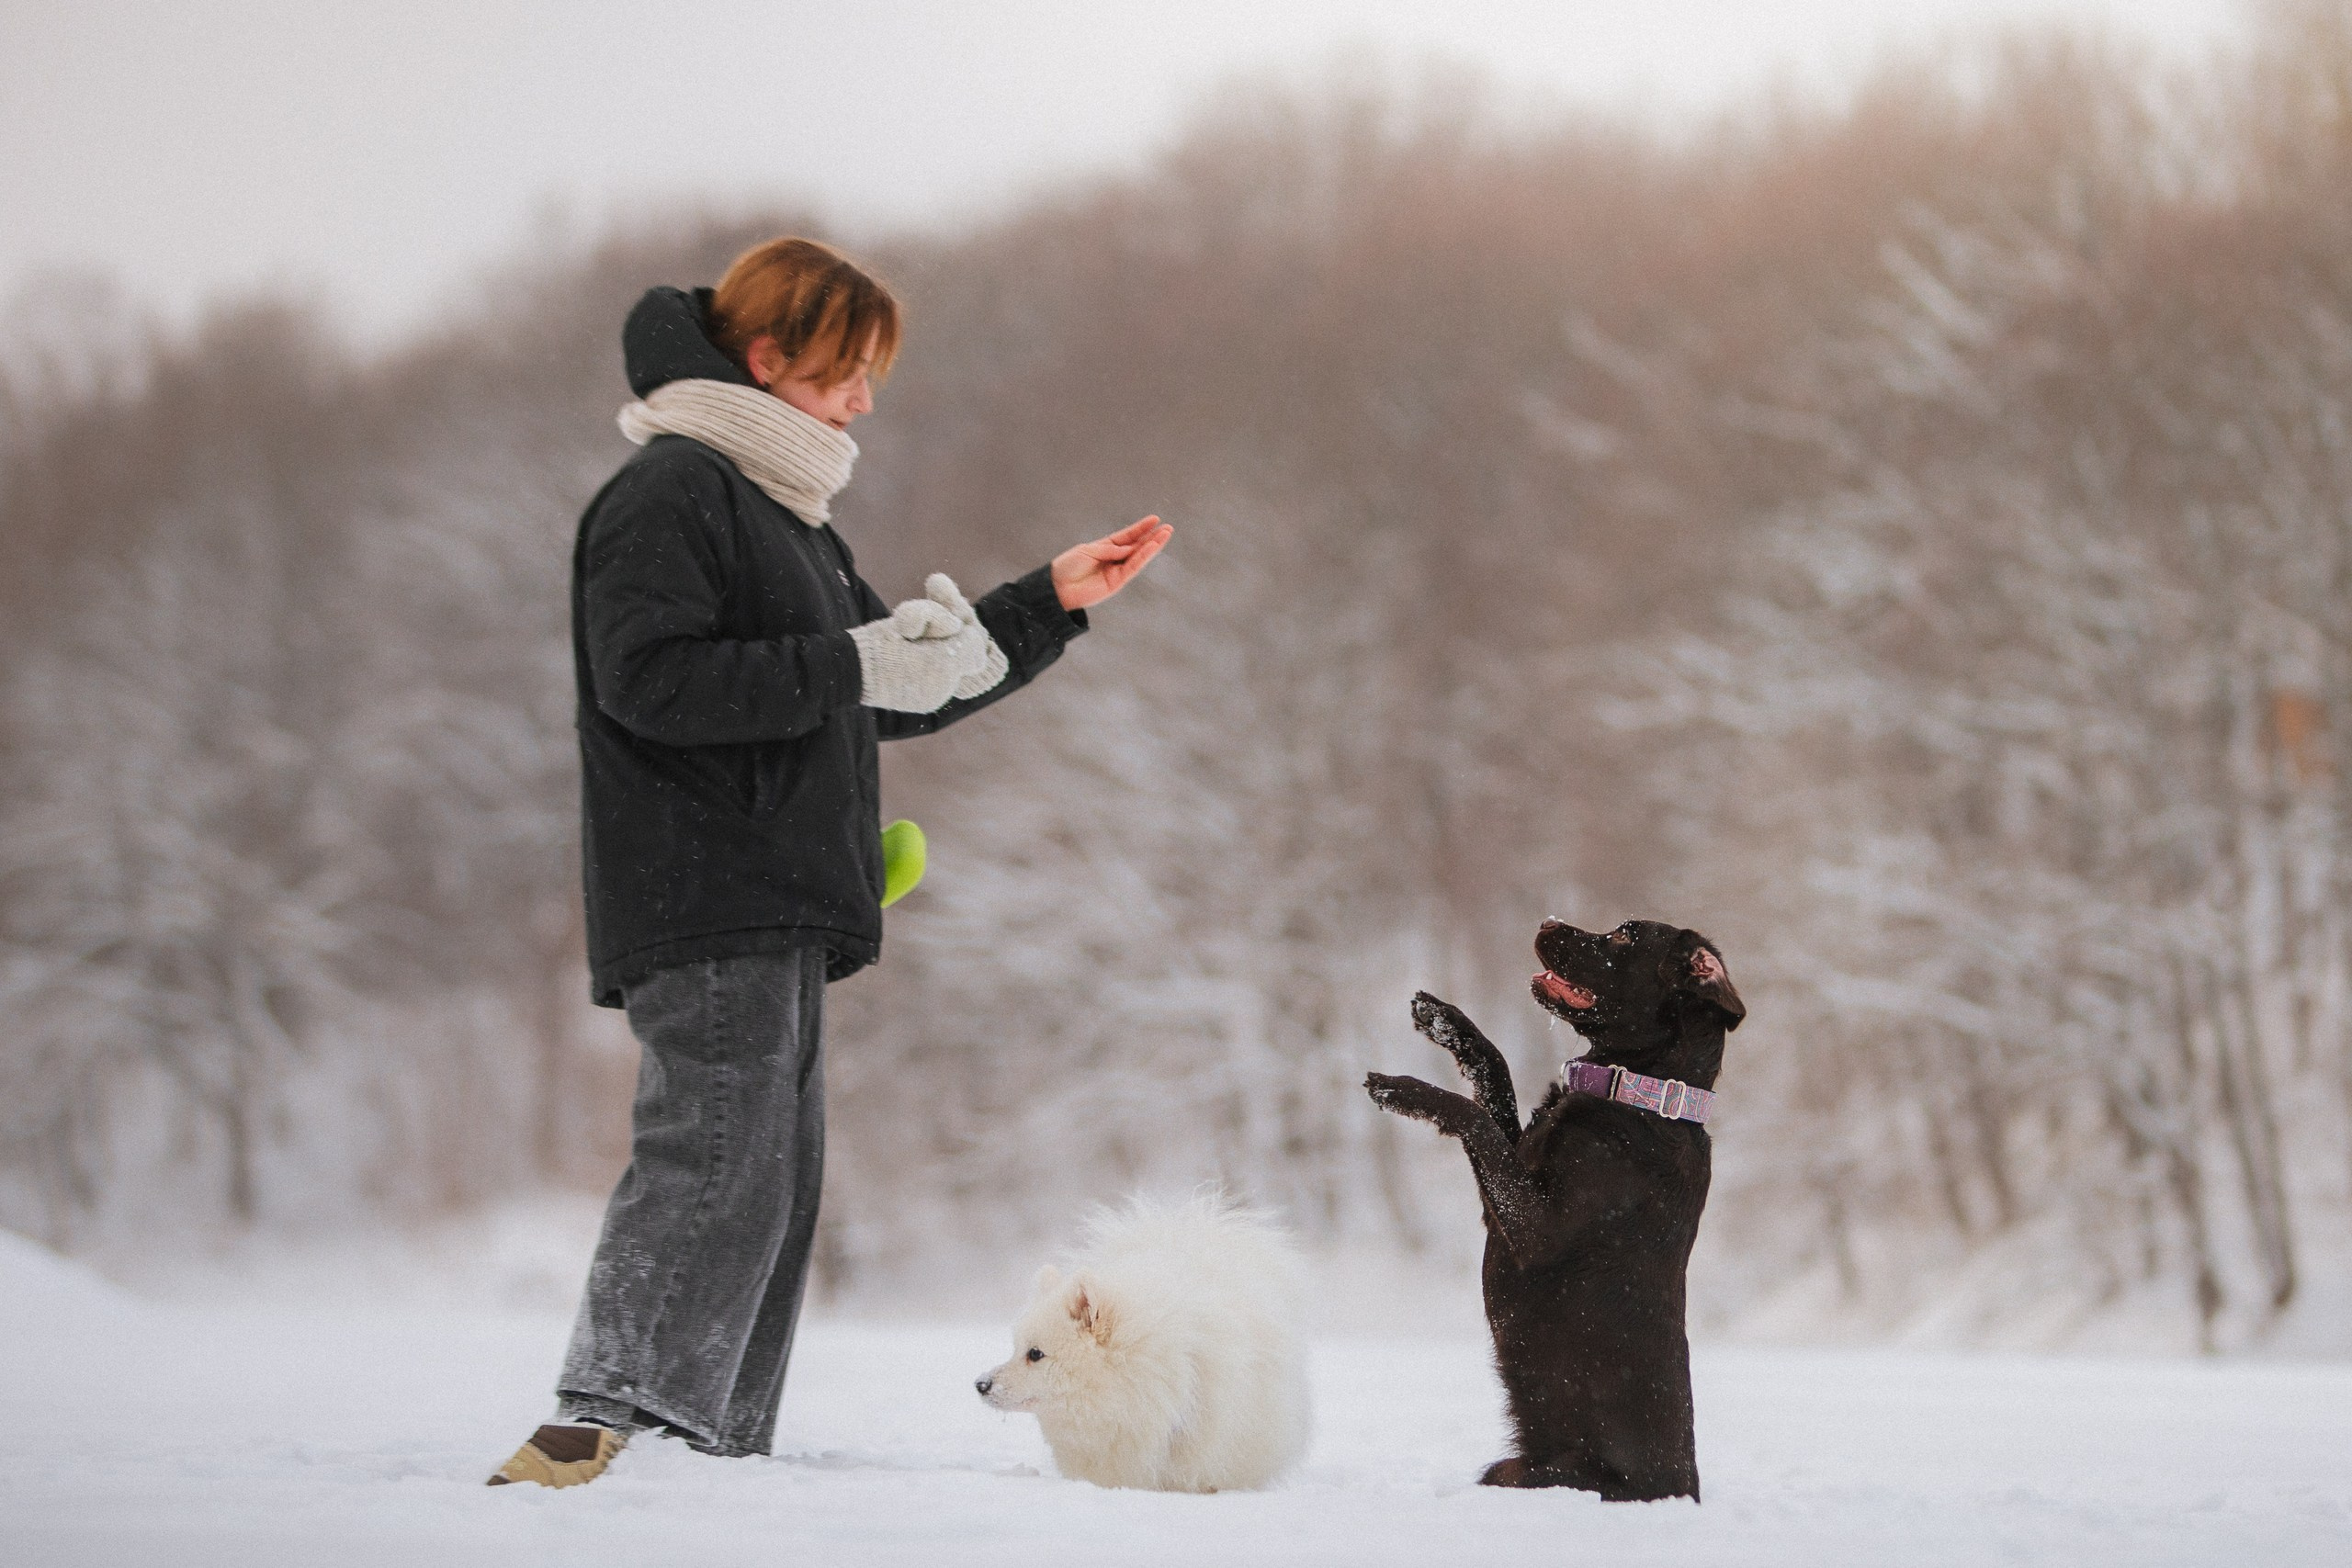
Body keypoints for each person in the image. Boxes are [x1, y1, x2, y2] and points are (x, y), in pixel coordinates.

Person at [489, 237, 1170, 1488]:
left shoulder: (785, 517)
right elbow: (651, 682)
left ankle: (702, 1449)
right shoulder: (673, 493)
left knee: (774, 1180)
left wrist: (1049, 602)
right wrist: (854, 664)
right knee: (718, 1151)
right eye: (847, 372)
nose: (866, 399)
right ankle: (602, 1426)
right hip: (704, 887)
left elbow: (893, 687)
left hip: (777, 897)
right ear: (769, 359)